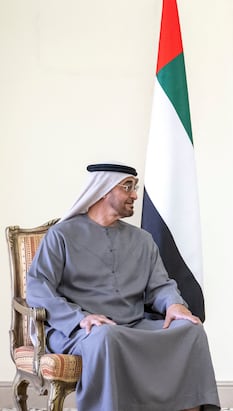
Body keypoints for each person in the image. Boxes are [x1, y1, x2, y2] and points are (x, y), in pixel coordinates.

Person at [27, 162, 220, 411]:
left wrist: (174, 304)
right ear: (103, 190)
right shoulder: (61, 235)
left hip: (134, 324)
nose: (135, 195)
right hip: (79, 330)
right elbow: (38, 287)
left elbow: (160, 285)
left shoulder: (143, 240)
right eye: (127, 187)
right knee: (106, 336)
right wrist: (80, 319)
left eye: (135, 187)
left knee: (191, 329)